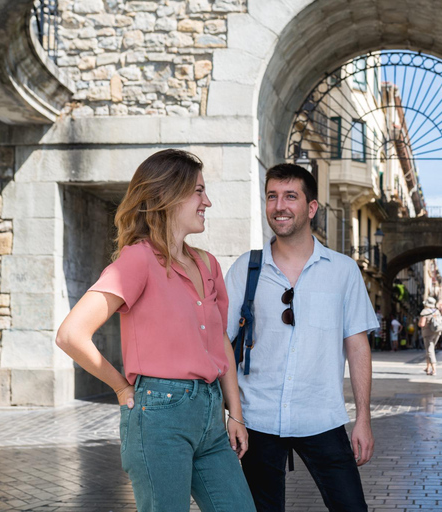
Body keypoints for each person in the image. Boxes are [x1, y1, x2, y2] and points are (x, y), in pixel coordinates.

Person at [55, 149, 255, 512]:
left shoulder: (207, 264)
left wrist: (235, 412)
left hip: (210, 415)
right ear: (168, 195)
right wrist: (120, 386)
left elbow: (219, 339)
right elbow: (71, 334)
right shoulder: (138, 260)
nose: (206, 201)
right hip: (158, 416)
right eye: (198, 191)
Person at [225, 163, 378, 512]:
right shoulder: (246, 268)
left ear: (311, 208)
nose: (279, 206)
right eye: (272, 197)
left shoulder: (343, 271)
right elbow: (221, 341)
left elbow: (357, 346)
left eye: (290, 196)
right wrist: (234, 414)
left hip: (321, 416)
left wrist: (364, 419)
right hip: (257, 419)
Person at [419, 297, 441, 376]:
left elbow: (421, 324)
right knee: (430, 349)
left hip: (428, 333)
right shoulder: (437, 311)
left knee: (430, 350)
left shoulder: (424, 311)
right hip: (437, 332)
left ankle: (434, 369)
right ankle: (428, 368)